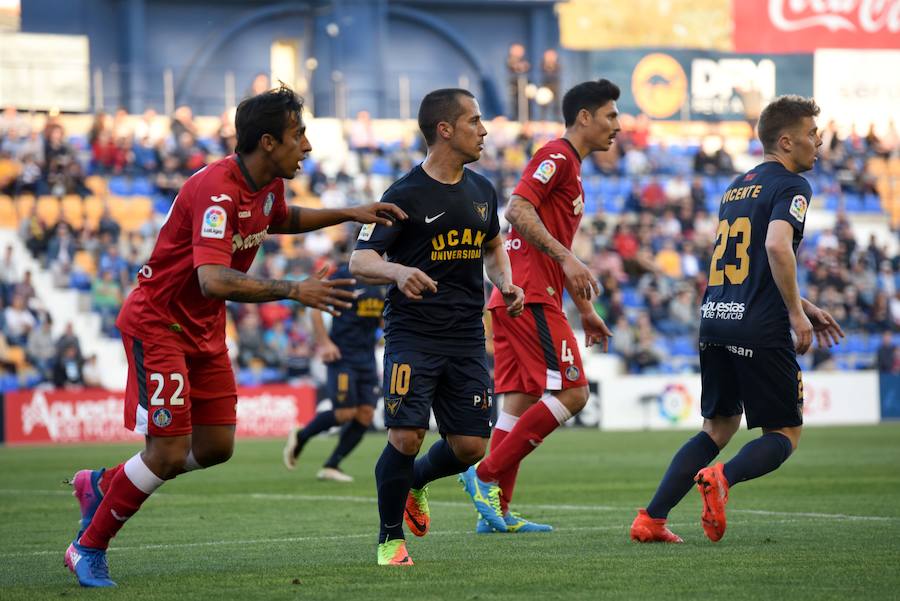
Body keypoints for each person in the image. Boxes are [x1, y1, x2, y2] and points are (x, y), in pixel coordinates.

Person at [62, 85, 407, 588]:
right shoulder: (217, 191)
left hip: (203, 330)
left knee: (218, 446)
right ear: (268, 142)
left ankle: (102, 484)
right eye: (299, 135)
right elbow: (213, 279)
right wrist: (294, 289)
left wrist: (349, 211)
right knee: (166, 453)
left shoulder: (268, 183)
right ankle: (86, 547)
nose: (307, 146)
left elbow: (281, 218)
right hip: (159, 323)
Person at [630, 95, 845, 544]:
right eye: (811, 134)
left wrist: (803, 304)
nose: (818, 142)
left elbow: (746, 262)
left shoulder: (737, 186)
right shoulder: (792, 186)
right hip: (759, 325)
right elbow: (775, 247)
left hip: (716, 317)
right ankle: (721, 479)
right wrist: (792, 313)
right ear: (786, 142)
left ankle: (651, 519)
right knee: (784, 432)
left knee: (718, 426)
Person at [350, 88, 524, 566]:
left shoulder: (483, 190)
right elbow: (361, 258)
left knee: (469, 447)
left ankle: (416, 482)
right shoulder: (403, 195)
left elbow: (492, 248)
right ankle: (389, 541)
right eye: (475, 121)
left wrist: (504, 284)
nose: (484, 130)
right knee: (406, 437)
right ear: (445, 130)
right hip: (413, 332)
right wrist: (398, 271)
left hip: (467, 333)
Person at [457, 79, 619, 532]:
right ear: (584, 117)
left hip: (520, 295)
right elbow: (517, 209)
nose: (617, 127)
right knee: (573, 393)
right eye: (610, 116)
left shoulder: (573, 166)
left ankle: (497, 515)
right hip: (528, 296)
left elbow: (550, 240)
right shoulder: (557, 156)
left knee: (518, 403)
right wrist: (568, 258)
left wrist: (585, 310)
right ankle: (484, 475)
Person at [283, 252, 387, 482]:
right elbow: (315, 308)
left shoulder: (383, 280)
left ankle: (332, 465)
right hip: (342, 356)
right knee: (345, 413)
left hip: (367, 358)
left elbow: (380, 316)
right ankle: (301, 436)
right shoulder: (345, 276)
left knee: (365, 414)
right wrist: (324, 343)